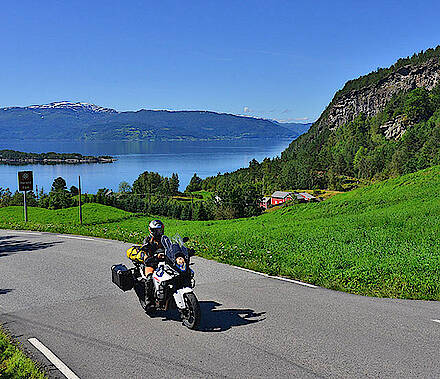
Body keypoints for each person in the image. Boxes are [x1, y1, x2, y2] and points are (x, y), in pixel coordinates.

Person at [139, 219, 165, 309]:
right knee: (150, 278)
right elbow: (145, 252)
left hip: (163, 263)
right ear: (151, 230)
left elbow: (171, 247)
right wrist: (152, 254)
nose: (158, 232)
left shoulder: (164, 239)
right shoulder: (148, 240)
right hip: (151, 263)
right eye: (156, 230)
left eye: (160, 230)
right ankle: (148, 300)